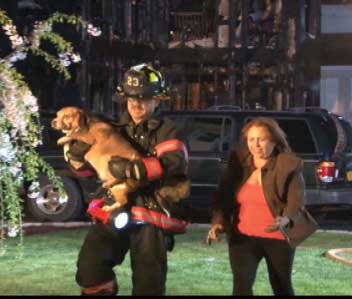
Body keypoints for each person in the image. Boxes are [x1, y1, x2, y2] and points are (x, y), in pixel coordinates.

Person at [63, 63, 190, 296]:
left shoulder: (168, 131)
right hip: (114, 209)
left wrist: (131, 169)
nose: (136, 105)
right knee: (89, 270)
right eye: (131, 99)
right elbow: (90, 173)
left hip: (152, 212)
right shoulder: (111, 128)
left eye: (143, 98)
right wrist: (79, 156)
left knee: (148, 284)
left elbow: (174, 163)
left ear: (158, 100)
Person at [207, 117, 305, 296]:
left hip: (277, 238)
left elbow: (296, 201)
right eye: (251, 139)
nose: (256, 145)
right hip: (243, 237)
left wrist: (286, 218)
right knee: (241, 286)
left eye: (262, 139)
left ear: (274, 141)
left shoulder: (287, 165)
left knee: (281, 286)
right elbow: (223, 197)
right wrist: (218, 222)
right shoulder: (239, 165)